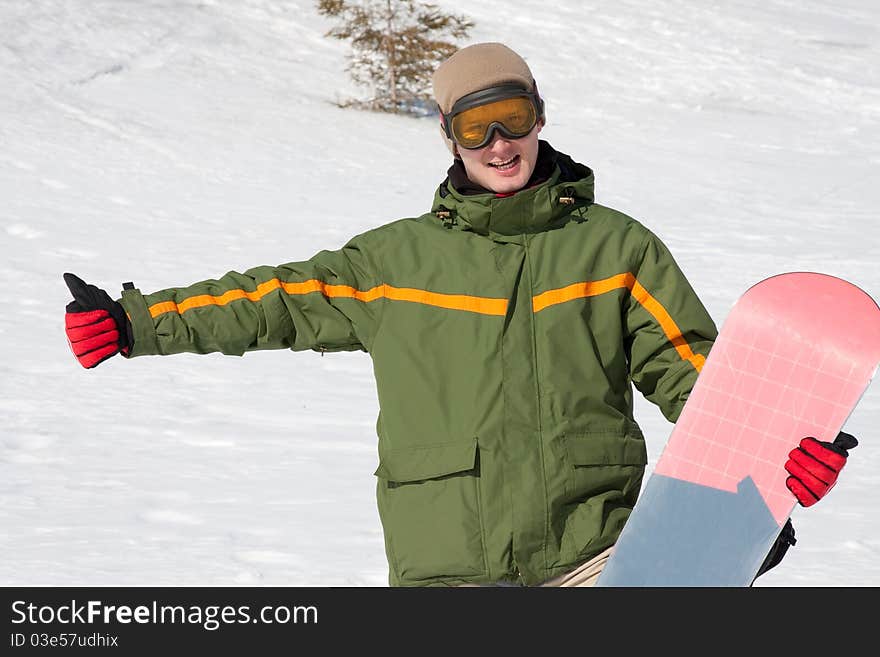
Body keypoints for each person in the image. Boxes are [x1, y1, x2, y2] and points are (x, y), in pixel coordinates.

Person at [63, 42, 858, 587]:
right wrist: (135, 323)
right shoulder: (396, 262)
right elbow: (268, 301)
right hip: (447, 568)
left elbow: (700, 379)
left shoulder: (615, 248)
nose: (500, 142)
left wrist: (778, 462)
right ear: (447, 135)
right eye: (476, 124)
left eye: (512, 114)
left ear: (541, 116)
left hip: (599, 556)